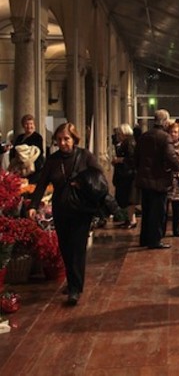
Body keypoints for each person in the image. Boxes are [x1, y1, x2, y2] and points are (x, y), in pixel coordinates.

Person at [27, 123, 104, 306]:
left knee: (77, 249)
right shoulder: (53, 160)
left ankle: (75, 289)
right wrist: (33, 205)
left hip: (80, 210)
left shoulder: (85, 156)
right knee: (66, 248)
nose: (63, 143)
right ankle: (73, 282)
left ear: (74, 139)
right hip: (61, 209)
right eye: (59, 139)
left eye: (66, 139)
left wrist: (83, 183)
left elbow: (98, 177)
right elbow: (42, 183)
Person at [134, 109, 179, 249]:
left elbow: (136, 157)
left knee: (147, 211)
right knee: (157, 212)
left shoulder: (144, 136)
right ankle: (155, 240)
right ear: (165, 121)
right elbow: (171, 157)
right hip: (159, 180)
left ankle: (145, 239)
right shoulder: (164, 137)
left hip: (144, 180)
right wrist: (178, 167)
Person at [111, 123, 138, 229]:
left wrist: (119, 160)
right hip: (125, 175)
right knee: (126, 199)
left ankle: (132, 220)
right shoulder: (126, 142)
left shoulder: (129, 142)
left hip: (128, 176)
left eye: (119, 133)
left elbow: (131, 158)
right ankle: (129, 219)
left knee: (129, 199)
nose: (118, 136)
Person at [10, 114, 45, 183]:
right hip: (19, 168)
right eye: (26, 124)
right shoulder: (20, 137)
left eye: (31, 124)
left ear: (34, 125)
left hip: (32, 169)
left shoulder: (37, 137)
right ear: (23, 125)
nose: (29, 126)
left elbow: (37, 152)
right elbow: (14, 150)